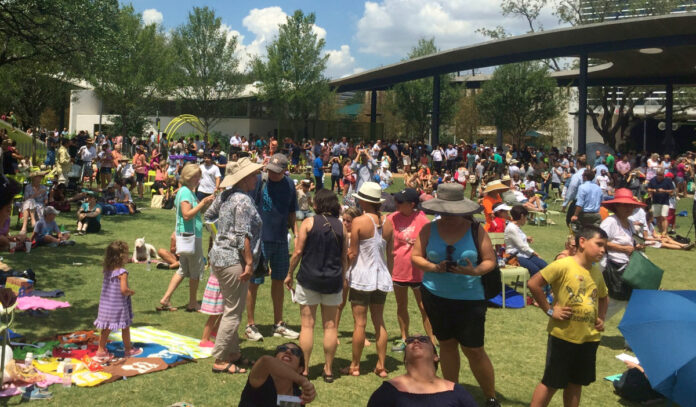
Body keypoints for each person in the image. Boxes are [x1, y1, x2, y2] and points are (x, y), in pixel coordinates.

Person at [411, 183, 500, 407]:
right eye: (444, 210)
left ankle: (490, 397)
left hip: (469, 298)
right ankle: (451, 394)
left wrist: (475, 270)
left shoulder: (475, 230)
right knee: (447, 345)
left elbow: (490, 260)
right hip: (435, 295)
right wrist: (432, 267)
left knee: (474, 349)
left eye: (453, 210)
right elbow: (416, 257)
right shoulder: (429, 229)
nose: (448, 215)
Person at [528, 226, 609, 407]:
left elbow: (603, 296)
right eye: (599, 244)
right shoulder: (563, 265)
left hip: (588, 338)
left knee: (576, 382)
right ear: (582, 242)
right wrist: (550, 310)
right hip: (564, 336)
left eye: (605, 246)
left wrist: (601, 317)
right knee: (551, 382)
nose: (603, 250)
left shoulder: (596, 271)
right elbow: (534, 284)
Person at [205, 157, 263, 374]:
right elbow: (242, 235)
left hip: (219, 258)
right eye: (254, 174)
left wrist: (221, 237)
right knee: (232, 312)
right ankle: (220, 359)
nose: (257, 178)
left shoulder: (226, 195)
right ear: (245, 178)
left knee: (232, 307)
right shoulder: (243, 200)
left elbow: (208, 217)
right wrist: (248, 262)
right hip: (233, 260)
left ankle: (233, 353)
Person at [284, 189, 346, 382]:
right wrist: (342, 279)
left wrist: (289, 274)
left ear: (317, 204)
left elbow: (298, 252)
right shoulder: (341, 226)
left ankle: (304, 369)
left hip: (309, 278)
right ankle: (328, 369)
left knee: (307, 326)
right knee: (330, 326)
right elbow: (344, 258)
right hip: (333, 280)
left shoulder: (309, 222)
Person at [245, 153, 300, 342]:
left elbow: (292, 212)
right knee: (254, 281)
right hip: (260, 240)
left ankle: (279, 324)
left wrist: (296, 232)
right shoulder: (259, 181)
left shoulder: (290, 184)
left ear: (285, 170)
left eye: (277, 172)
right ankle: (250, 325)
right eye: (270, 170)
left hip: (281, 240)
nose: (272, 174)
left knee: (279, 280)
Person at [342, 182, 394, 378]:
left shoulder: (359, 222)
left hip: (362, 277)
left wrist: (344, 259)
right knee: (379, 322)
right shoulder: (388, 223)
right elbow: (391, 255)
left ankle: (355, 366)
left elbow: (353, 253)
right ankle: (381, 365)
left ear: (364, 200)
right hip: (381, 276)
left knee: (360, 324)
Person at [158, 164, 215, 312]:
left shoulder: (187, 191)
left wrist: (205, 203)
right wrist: (202, 203)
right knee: (195, 270)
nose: (199, 179)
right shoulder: (185, 192)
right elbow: (187, 214)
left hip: (187, 235)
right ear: (189, 177)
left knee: (183, 269)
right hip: (191, 236)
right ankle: (192, 303)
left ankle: (165, 298)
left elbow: (192, 212)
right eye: (197, 176)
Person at [387, 188, 435, 352]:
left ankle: (431, 342)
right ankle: (404, 338)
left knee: (425, 308)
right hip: (398, 270)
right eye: (396, 201)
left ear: (412, 204)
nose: (396, 204)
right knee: (401, 306)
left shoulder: (423, 221)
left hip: (419, 273)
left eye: (400, 202)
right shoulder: (391, 219)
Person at [367, 335, 477, 407]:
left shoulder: (456, 391)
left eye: (423, 339)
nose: (415, 341)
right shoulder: (388, 391)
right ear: (405, 359)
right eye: (409, 341)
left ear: (435, 356)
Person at [599, 188, 646, 321]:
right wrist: (622, 248)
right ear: (617, 206)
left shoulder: (630, 224)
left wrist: (637, 246)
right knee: (618, 300)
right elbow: (599, 241)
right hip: (613, 267)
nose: (628, 208)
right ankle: (593, 324)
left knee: (629, 301)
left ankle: (630, 339)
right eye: (625, 205)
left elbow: (632, 242)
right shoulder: (610, 222)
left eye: (631, 205)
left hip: (628, 268)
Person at [93, 240, 141, 363]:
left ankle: (100, 350)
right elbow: (123, 290)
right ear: (121, 257)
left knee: (106, 328)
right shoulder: (122, 273)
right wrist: (130, 292)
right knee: (125, 327)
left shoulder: (107, 270)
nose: (128, 257)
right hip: (118, 306)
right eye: (126, 255)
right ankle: (128, 350)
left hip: (106, 304)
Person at [239, 342, 316, 406]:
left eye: (295, 352)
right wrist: (301, 380)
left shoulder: (297, 396)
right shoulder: (261, 379)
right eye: (282, 349)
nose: (288, 352)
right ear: (274, 359)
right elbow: (266, 361)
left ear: (300, 369)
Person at [504, 206, 548, 276]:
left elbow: (518, 240)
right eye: (526, 217)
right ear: (522, 216)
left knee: (546, 267)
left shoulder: (516, 227)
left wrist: (526, 238)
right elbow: (522, 246)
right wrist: (535, 253)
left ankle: (545, 286)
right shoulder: (511, 228)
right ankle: (536, 285)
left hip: (525, 254)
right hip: (515, 256)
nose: (526, 220)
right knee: (536, 270)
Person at [20, 170, 48, 235]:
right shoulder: (28, 187)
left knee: (30, 202)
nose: (40, 178)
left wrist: (46, 200)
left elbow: (46, 200)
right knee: (30, 201)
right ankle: (32, 220)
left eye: (41, 177)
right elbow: (26, 199)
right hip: (28, 204)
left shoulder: (43, 187)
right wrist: (36, 194)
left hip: (39, 205)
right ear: (33, 178)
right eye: (39, 177)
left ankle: (24, 228)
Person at [647, 168, 674, 235]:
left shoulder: (668, 180)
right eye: (658, 175)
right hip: (655, 201)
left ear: (663, 174)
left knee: (664, 216)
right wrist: (655, 190)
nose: (659, 176)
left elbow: (672, 191)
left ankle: (665, 231)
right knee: (658, 217)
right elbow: (648, 189)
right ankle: (660, 230)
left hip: (665, 201)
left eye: (661, 175)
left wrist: (664, 191)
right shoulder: (652, 180)